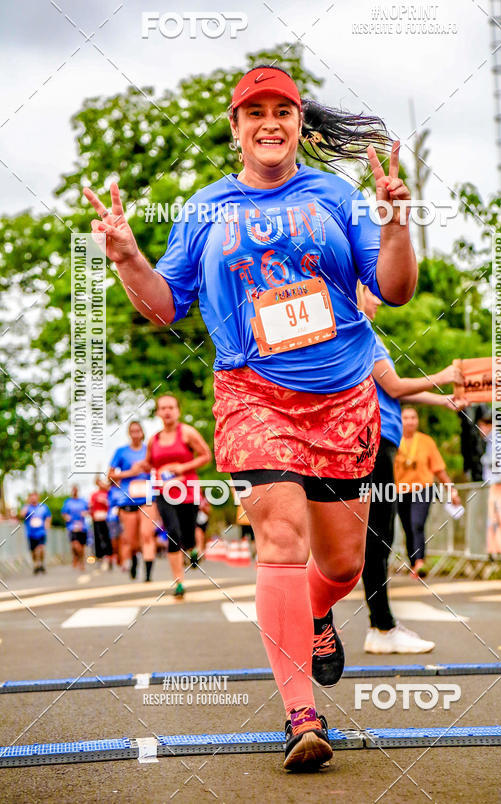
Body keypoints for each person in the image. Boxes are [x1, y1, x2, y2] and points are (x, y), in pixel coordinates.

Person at [84, 64, 417, 771]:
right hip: (253, 394)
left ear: (299, 123)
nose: (270, 122)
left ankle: (319, 614)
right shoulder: (205, 209)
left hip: (342, 396)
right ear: (236, 128)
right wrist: (126, 257)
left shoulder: (338, 195)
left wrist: (395, 229)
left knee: (342, 562)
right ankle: (301, 715)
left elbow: (394, 289)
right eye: (255, 111)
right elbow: (164, 305)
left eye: (284, 110)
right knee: (282, 536)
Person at [357, 284, 465, 654]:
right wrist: (446, 374)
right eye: (370, 292)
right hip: (373, 440)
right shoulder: (360, 328)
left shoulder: (363, 332)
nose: (377, 300)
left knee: (377, 535)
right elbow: (397, 386)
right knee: (377, 535)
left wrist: (441, 399)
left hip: (378, 439)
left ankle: (381, 624)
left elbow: (394, 391)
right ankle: (381, 627)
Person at [131, 395, 212, 598]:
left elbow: (206, 456)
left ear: (178, 411)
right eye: (163, 408)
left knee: (188, 536)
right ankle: (179, 582)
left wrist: (182, 467)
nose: (167, 411)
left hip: (188, 491)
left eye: (171, 407)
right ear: (158, 412)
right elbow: (150, 463)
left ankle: (193, 549)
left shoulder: (187, 433)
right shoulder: (154, 440)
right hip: (164, 492)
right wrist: (141, 466)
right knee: (173, 535)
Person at [394, 407, 461, 578]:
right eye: (406, 418)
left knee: (417, 524)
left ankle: (420, 561)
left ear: (417, 420)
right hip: (398, 490)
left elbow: (439, 469)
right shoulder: (393, 440)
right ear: (400, 420)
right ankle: (413, 562)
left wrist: (451, 490)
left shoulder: (426, 441)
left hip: (423, 489)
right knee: (407, 527)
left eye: (413, 417)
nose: (410, 421)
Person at [108, 421, 156, 582]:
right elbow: (110, 476)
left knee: (147, 535)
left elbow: (158, 470)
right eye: (133, 431)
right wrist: (130, 473)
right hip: (127, 499)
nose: (136, 434)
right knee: (132, 540)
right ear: (129, 433)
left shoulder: (149, 450)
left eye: (138, 431)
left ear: (143, 433)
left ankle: (148, 575)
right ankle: (135, 560)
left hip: (147, 498)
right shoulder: (121, 452)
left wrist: (149, 470)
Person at [20, 491, 51, 574]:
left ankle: (41, 563)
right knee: (33, 551)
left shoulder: (43, 507)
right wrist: (27, 505)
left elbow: (48, 516)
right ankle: (36, 564)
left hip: (41, 531)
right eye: (31, 497)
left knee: (41, 548)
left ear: (38, 497)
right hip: (31, 533)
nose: (33, 499)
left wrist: (47, 524)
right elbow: (22, 515)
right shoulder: (27, 507)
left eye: (35, 497)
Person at [61, 485, 89, 571]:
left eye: (76, 490)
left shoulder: (83, 501)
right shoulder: (68, 502)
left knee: (82, 547)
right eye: (73, 490)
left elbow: (88, 511)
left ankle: (81, 562)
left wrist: (86, 513)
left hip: (82, 527)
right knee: (75, 545)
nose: (75, 491)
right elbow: (63, 513)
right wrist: (67, 517)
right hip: (72, 527)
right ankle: (76, 556)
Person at [89, 477, 112, 568]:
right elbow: (91, 506)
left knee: (107, 537)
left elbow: (111, 503)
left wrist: (105, 502)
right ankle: (99, 556)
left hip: (107, 518)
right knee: (98, 537)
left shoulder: (108, 493)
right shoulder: (94, 495)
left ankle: (109, 555)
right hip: (97, 518)